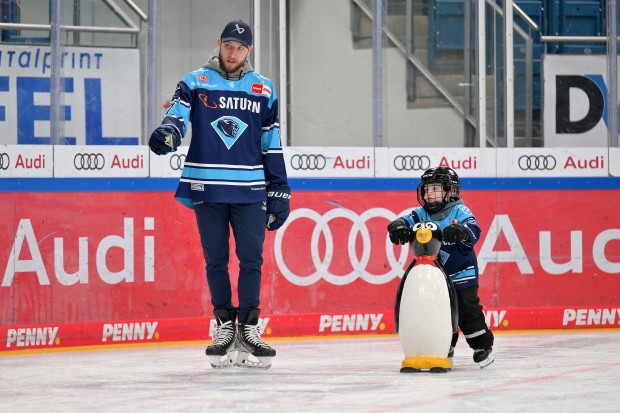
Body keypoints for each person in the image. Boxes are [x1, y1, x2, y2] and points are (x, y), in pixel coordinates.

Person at [148, 20, 290, 369]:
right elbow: (177, 116)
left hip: (250, 188)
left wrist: (280, 188)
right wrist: (167, 133)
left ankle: (250, 327)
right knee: (216, 259)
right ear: (219, 44)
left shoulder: (263, 88)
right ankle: (225, 325)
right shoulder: (196, 80)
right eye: (228, 45)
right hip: (207, 186)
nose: (233, 52)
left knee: (251, 259)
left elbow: (271, 142)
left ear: (249, 51)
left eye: (239, 48)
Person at [387, 167, 494, 368]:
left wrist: (461, 231)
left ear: (450, 191)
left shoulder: (460, 211)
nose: (429, 194)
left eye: (435, 189)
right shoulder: (422, 213)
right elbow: (405, 220)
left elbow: (474, 230)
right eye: (427, 190)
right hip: (434, 275)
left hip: (462, 271)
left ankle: (482, 345)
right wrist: (397, 226)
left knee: (466, 309)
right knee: (436, 309)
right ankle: (443, 345)